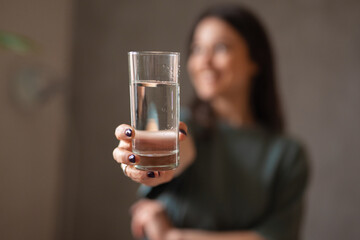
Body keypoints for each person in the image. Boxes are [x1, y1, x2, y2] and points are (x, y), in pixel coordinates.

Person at [113, 4, 310, 240]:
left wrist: (174, 237)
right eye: (197, 49)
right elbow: (180, 151)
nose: (204, 61)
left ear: (255, 60)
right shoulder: (185, 126)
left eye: (220, 47)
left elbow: (277, 237)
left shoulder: (287, 155)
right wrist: (157, 165)